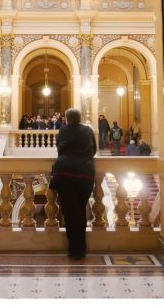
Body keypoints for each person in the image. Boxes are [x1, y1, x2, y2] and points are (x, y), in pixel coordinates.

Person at [50, 107, 96, 260]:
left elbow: (59, 150)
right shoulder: (88, 130)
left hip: (65, 172)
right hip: (85, 174)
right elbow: (94, 150)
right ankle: (81, 250)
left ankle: (73, 250)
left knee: (69, 213)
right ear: (80, 118)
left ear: (66, 119)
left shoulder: (63, 130)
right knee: (80, 211)